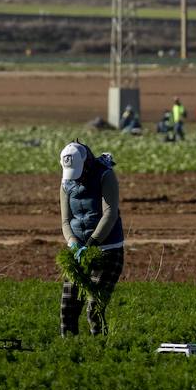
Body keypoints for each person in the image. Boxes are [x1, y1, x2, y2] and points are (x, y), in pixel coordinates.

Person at [59, 142, 125, 337]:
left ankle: (102, 350)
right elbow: (65, 220)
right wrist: (72, 241)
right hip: (78, 254)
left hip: (108, 251)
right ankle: (68, 353)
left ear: (87, 163)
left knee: (93, 309)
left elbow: (110, 213)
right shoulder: (66, 182)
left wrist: (92, 243)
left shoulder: (105, 175)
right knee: (67, 308)